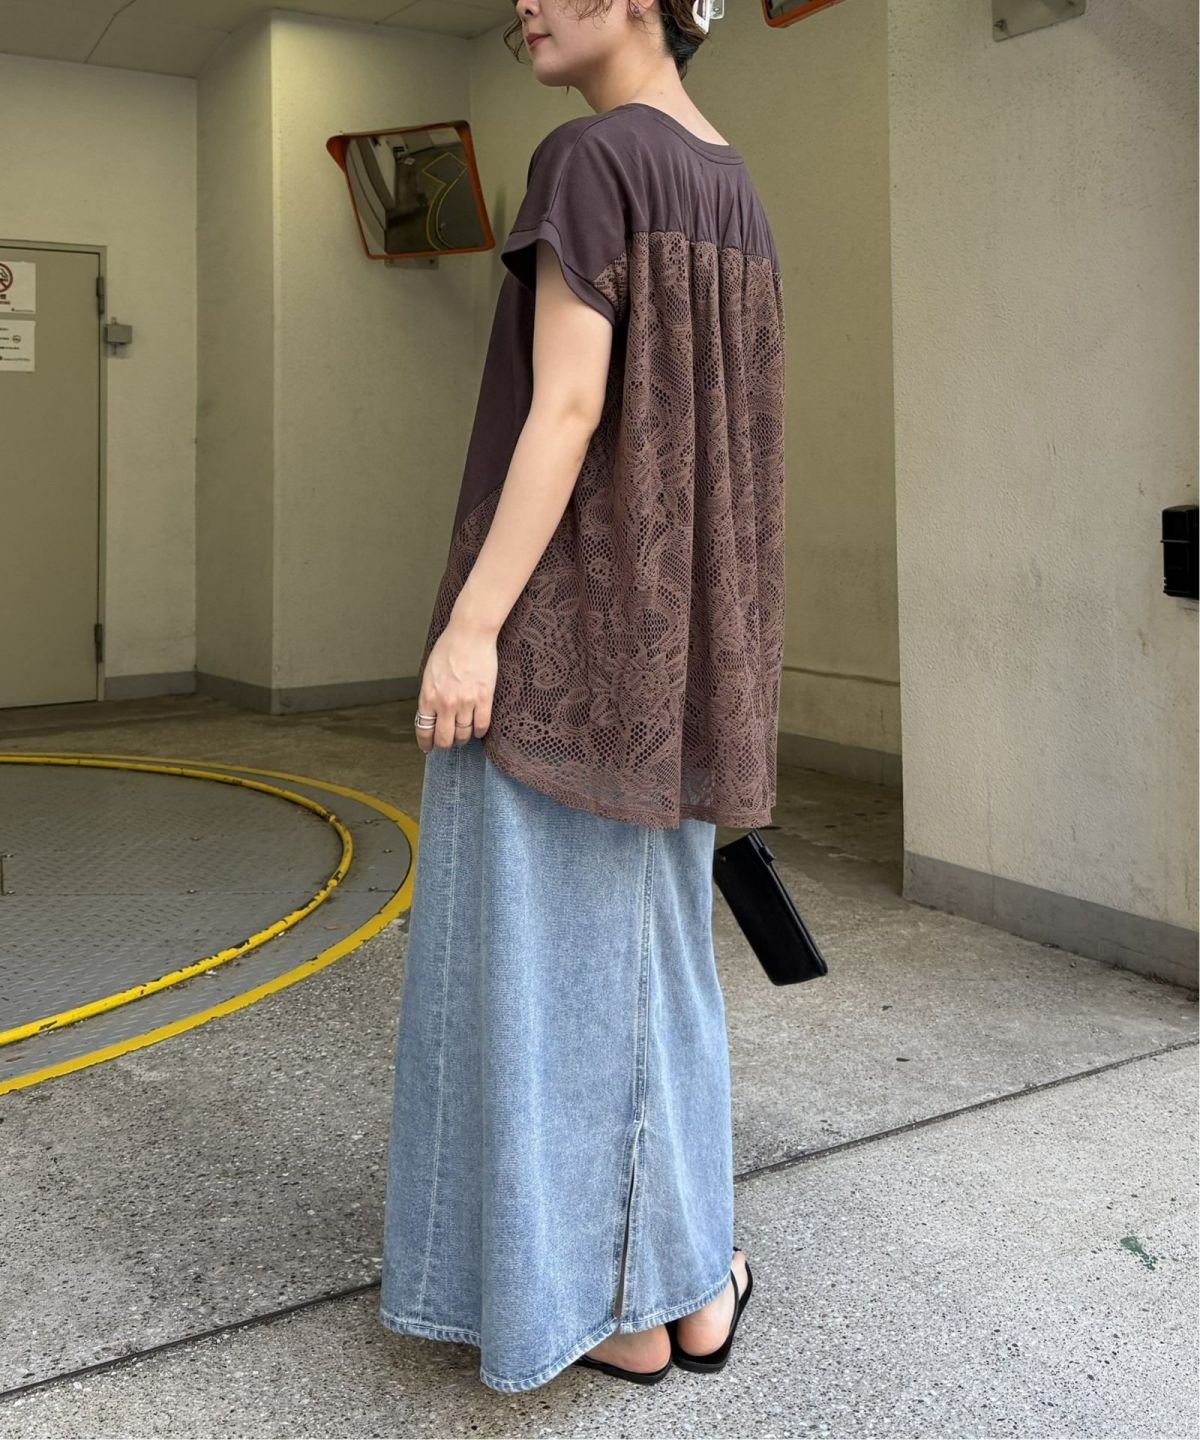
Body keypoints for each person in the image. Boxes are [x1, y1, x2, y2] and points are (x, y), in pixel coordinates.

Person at [379, 0, 786, 1395]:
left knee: (546, 978)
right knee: (657, 971)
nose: (524, 7)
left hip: (568, 649)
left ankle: (611, 1301)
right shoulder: (735, 189)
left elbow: (567, 407)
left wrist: (473, 627)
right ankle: (692, 1282)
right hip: (686, 652)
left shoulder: (590, 158)